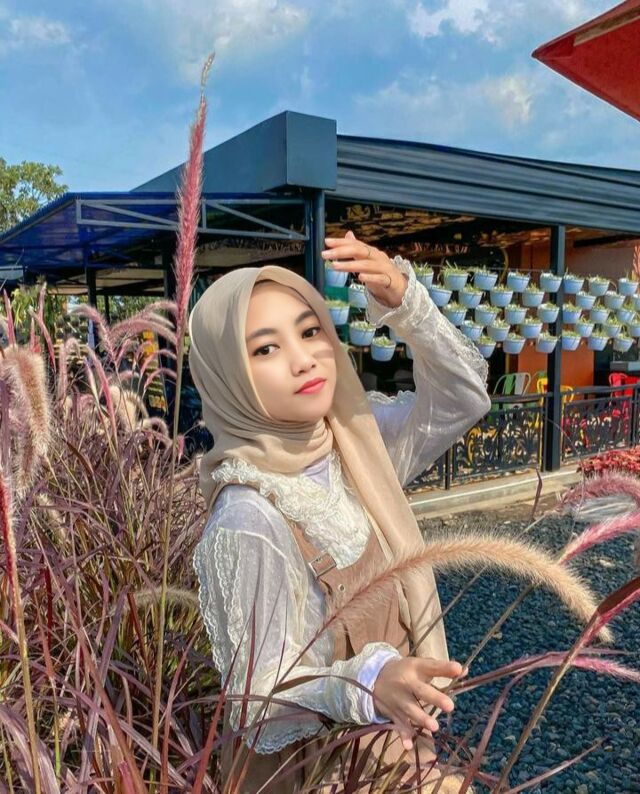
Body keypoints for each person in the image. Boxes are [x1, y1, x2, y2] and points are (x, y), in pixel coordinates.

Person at [188, 231, 491, 791]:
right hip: (317, 774)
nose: (304, 359)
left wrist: (405, 303)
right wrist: (367, 682)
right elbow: (257, 697)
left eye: (310, 332)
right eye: (265, 349)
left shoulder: (356, 444)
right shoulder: (248, 516)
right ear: (227, 376)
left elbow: (463, 399)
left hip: (398, 753)